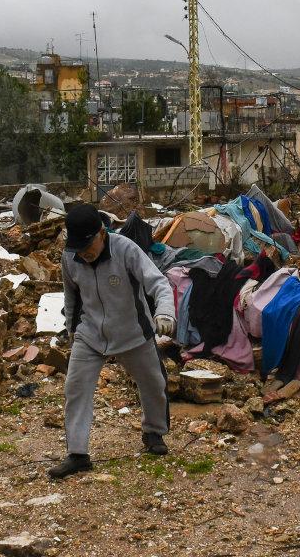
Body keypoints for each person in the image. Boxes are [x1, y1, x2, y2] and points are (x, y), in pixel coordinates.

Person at [48, 204, 176, 479]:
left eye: (88, 245)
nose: (84, 252)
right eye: (78, 247)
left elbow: (159, 283)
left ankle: (154, 433)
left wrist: (164, 312)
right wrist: (72, 330)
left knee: (153, 382)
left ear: (101, 233)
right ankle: (78, 454)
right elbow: (71, 296)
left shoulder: (125, 249)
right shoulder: (70, 258)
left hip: (133, 332)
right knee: (75, 387)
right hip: (90, 334)